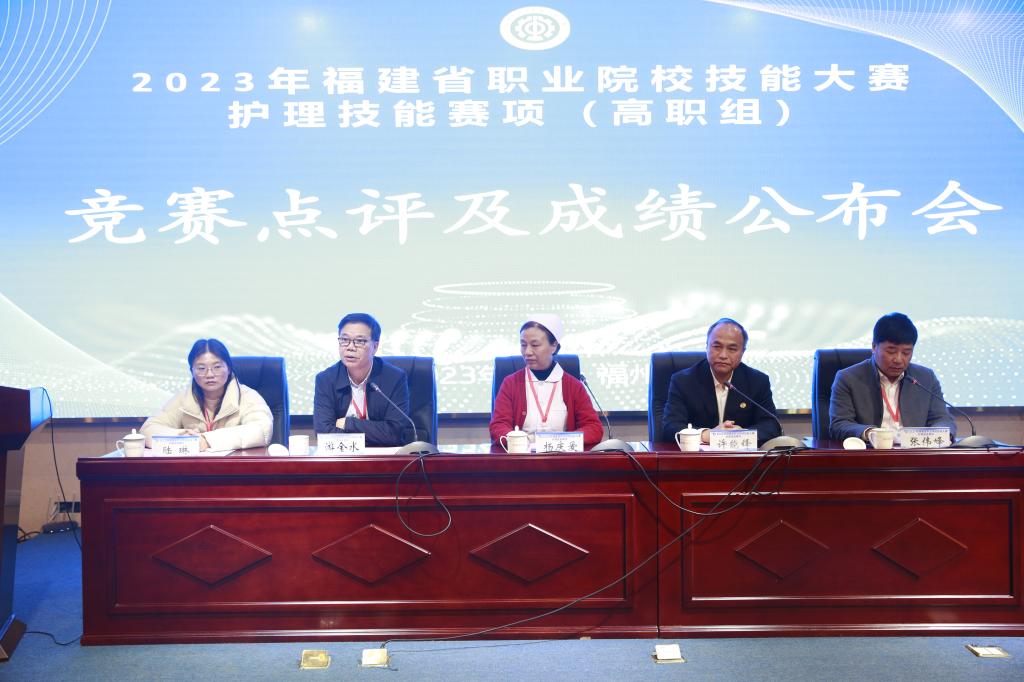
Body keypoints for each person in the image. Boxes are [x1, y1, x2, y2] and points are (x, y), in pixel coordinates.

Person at [829, 312, 956, 442]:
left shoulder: (925, 377)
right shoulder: (848, 378)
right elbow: (839, 424)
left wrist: (940, 434)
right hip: (871, 451)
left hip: (914, 451)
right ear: (874, 347)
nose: (898, 359)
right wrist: (869, 433)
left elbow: (943, 419)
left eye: (906, 352)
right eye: (891, 351)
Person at [661, 318, 781, 445]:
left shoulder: (757, 381)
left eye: (732, 349)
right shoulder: (683, 381)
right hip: (697, 456)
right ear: (707, 346)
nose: (723, 355)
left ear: (742, 352)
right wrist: (707, 435)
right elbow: (670, 427)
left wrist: (742, 434)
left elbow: (771, 426)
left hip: (741, 456)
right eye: (717, 347)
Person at [490, 314, 604, 448]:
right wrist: (518, 441)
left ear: (554, 345)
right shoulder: (510, 383)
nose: (527, 352)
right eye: (523, 345)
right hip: (522, 457)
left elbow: (594, 428)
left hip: (562, 456)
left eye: (535, 345)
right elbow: (498, 426)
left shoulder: (573, 386)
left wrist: (564, 441)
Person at [141, 339, 273, 451]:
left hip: (234, 468)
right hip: (193, 470)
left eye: (217, 367)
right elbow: (147, 430)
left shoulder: (247, 396)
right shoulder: (183, 398)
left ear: (228, 368)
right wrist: (182, 437)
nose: (210, 374)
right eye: (201, 368)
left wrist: (207, 440)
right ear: (192, 371)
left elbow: (262, 430)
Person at [313, 312, 411, 446]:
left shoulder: (394, 378)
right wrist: (375, 435)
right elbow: (324, 434)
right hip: (344, 457)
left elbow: (394, 432)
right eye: (344, 340)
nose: (350, 347)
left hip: (384, 457)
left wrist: (347, 423)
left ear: (375, 347)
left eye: (359, 341)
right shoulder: (325, 380)